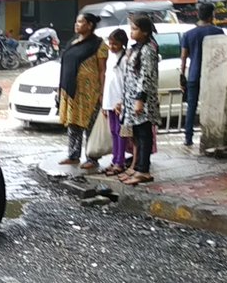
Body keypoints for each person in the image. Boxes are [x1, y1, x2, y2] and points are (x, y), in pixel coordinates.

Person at [57, 12, 109, 169]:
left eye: (80, 22)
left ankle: (92, 158)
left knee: (89, 124)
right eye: (76, 21)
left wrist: (102, 92)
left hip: (89, 92)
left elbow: (102, 70)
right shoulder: (73, 42)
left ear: (90, 25)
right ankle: (73, 155)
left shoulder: (99, 45)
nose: (76, 25)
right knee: (73, 123)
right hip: (72, 91)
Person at [118, 16, 161, 186]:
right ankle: (138, 168)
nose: (131, 32)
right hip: (131, 98)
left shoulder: (148, 49)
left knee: (144, 134)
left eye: (135, 29)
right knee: (137, 134)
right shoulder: (137, 48)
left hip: (142, 99)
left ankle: (144, 170)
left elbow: (146, 76)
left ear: (145, 31)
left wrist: (140, 99)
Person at [179, 2, 226, 146]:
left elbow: (183, 57)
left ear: (198, 15)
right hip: (213, 76)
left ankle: (188, 138)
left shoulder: (188, 34)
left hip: (194, 75)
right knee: (214, 105)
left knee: (191, 107)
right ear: (212, 15)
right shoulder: (218, 32)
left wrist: (182, 76)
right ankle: (214, 135)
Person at [101, 29, 129, 176]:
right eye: (110, 43)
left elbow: (125, 82)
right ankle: (115, 159)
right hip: (109, 99)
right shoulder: (111, 57)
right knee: (113, 131)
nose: (112, 47)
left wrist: (122, 101)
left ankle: (120, 161)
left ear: (122, 44)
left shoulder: (125, 59)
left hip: (119, 100)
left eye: (115, 44)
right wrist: (104, 104)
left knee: (120, 131)